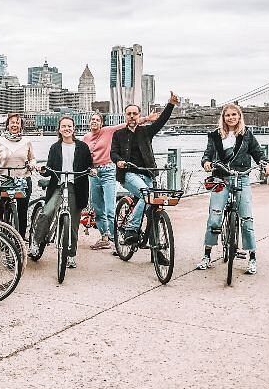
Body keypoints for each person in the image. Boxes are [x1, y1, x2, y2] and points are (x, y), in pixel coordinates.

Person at [197, 103, 269, 275]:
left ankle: (252, 258)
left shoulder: (247, 135)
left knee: (246, 218)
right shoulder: (215, 135)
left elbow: (258, 153)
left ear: (239, 116)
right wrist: (206, 163)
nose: (230, 118)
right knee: (214, 216)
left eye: (234, 115)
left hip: (241, 177)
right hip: (220, 178)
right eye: (227, 115)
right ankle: (207, 255)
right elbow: (207, 154)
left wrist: (265, 163)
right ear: (223, 118)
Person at [110, 92, 179, 247]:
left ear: (139, 115)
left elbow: (161, 121)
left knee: (153, 208)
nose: (132, 116)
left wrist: (171, 104)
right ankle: (131, 228)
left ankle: (157, 252)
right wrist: (119, 161)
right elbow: (113, 152)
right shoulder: (118, 134)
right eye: (129, 114)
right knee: (147, 194)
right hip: (128, 173)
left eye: (135, 113)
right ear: (125, 116)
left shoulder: (146, 131)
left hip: (148, 173)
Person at [83, 110, 159, 250]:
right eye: (92, 120)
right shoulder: (86, 138)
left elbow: (127, 123)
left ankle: (116, 239)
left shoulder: (108, 131)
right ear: (89, 123)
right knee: (98, 208)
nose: (94, 121)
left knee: (110, 209)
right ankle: (105, 237)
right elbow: (84, 155)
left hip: (108, 171)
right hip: (93, 173)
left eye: (97, 120)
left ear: (102, 123)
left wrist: (147, 118)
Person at [29, 115, 93, 269]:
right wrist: (43, 170)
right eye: (63, 126)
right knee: (47, 212)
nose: (67, 129)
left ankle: (71, 255)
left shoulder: (83, 147)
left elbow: (89, 165)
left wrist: (92, 171)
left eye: (69, 126)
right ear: (59, 129)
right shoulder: (55, 147)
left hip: (75, 188)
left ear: (74, 128)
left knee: (73, 224)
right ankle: (36, 242)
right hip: (58, 186)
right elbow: (50, 169)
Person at [0, 113, 36, 238]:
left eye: (17, 123)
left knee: (22, 212)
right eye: (12, 122)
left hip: (23, 180)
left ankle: (20, 240)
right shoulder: (0, 141)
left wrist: (32, 165)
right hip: (5, 181)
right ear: (7, 125)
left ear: (21, 126)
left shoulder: (27, 142)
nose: (15, 125)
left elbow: (33, 159)